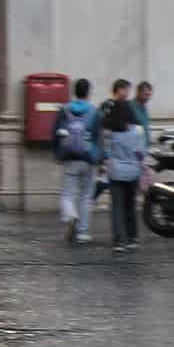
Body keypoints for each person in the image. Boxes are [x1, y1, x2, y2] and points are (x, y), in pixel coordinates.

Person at [52, 78, 102, 243]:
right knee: (86, 196)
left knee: (67, 193)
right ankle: (83, 232)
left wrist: (57, 153)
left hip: (69, 157)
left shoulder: (64, 109)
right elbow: (97, 137)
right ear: (88, 93)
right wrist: (98, 157)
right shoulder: (94, 112)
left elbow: (54, 133)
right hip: (87, 157)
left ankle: (70, 215)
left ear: (75, 91)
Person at [100, 92, 146, 251]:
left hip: (115, 172)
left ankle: (119, 240)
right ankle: (132, 238)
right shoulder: (138, 130)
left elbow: (106, 152)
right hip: (132, 172)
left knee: (117, 206)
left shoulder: (109, 131)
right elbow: (140, 153)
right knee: (130, 205)